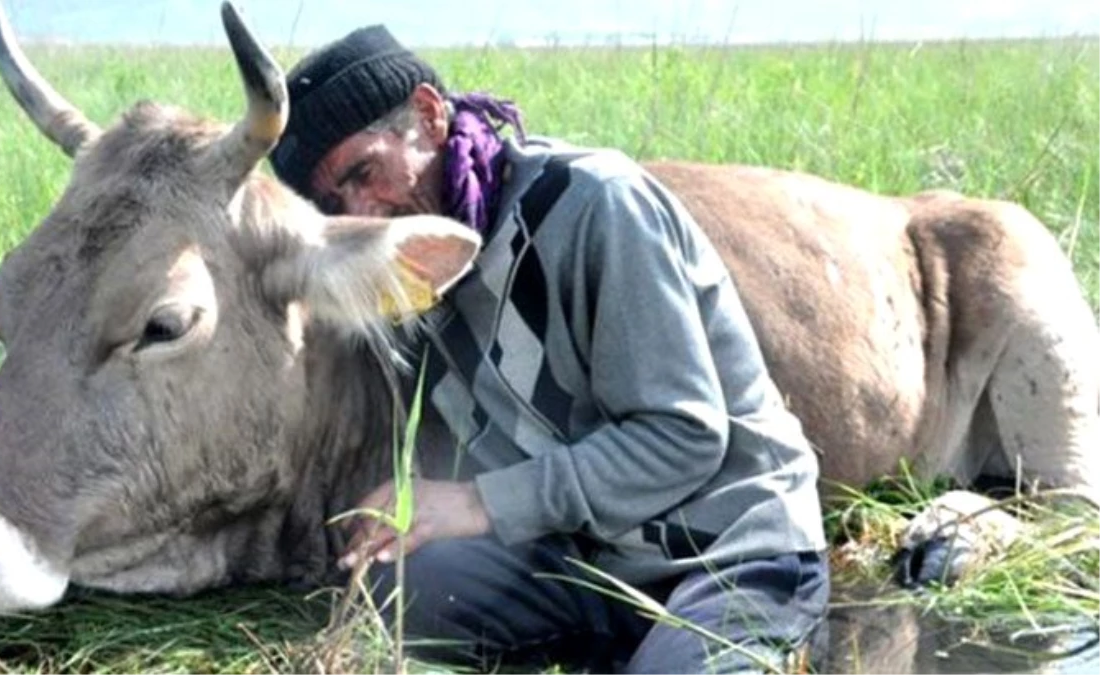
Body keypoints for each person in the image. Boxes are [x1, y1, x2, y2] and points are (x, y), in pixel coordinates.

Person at [269, 25, 830, 674]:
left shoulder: (594, 204)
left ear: (428, 114)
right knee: (397, 587)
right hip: (591, 559)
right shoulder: (411, 274)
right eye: (336, 202)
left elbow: (683, 438)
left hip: (728, 546)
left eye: (365, 172)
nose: (364, 212)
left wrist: (478, 502)